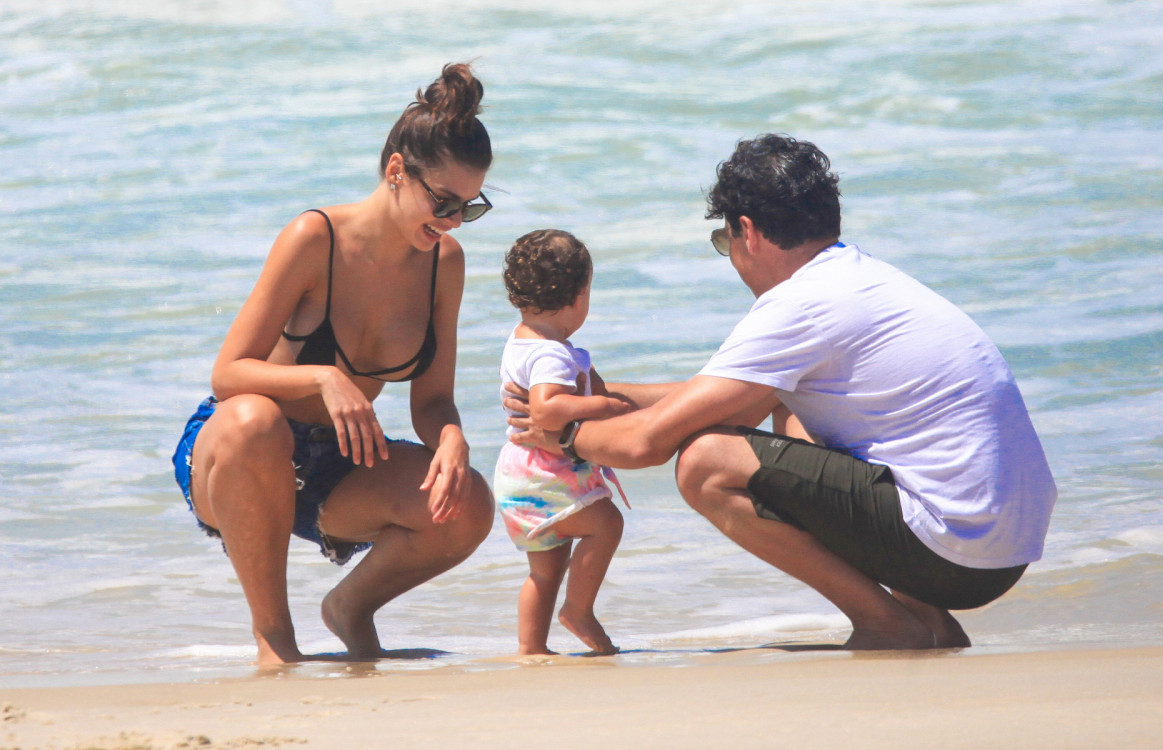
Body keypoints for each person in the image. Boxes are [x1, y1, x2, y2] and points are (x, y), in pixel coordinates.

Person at [506, 134, 1057, 650]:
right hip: (1000, 545)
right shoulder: (858, 278)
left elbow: (646, 445)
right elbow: (710, 395)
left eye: (725, 240)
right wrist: (590, 393)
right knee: (785, 413)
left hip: (955, 546)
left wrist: (565, 435)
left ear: (748, 231)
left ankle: (885, 623)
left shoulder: (802, 302)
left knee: (704, 462)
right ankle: (929, 621)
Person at [171, 63, 496, 665]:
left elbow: (430, 399)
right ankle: (275, 642)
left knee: (468, 502)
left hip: (335, 464)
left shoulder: (444, 263)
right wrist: (324, 376)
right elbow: (228, 374)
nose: (452, 221)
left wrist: (451, 437)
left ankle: (350, 608)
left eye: (469, 208)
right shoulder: (313, 237)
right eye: (444, 202)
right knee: (255, 423)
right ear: (397, 170)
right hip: (234, 456)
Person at [494, 230, 631, 656]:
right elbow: (546, 410)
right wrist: (602, 407)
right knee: (607, 525)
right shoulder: (551, 354)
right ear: (579, 295)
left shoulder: (523, 339)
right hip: (544, 475)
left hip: (523, 478)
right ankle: (578, 611)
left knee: (545, 569)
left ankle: (531, 649)